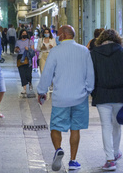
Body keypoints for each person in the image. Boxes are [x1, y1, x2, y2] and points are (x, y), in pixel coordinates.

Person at [37, 25, 95, 171]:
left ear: (62, 35)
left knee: (56, 126)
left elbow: (47, 73)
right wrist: (88, 90)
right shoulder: (84, 50)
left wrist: (42, 91)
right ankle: (73, 161)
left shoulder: (55, 51)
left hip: (60, 97)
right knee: (75, 129)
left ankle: (58, 149)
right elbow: (90, 74)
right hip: (80, 97)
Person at [90, 29, 123, 171]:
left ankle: (109, 159)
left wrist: (94, 93)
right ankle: (115, 152)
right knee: (116, 125)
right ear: (117, 39)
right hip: (120, 94)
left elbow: (93, 75)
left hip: (102, 94)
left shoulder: (94, 53)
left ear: (101, 39)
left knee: (105, 126)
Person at [15, 29, 34, 96]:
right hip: (20, 58)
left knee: (28, 73)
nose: (24, 34)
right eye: (23, 33)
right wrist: (17, 50)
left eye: (25, 33)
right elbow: (15, 50)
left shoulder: (30, 41)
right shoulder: (18, 42)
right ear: (20, 34)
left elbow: (32, 50)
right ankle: (24, 88)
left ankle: (30, 82)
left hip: (28, 58)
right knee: (22, 73)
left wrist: (28, 49)